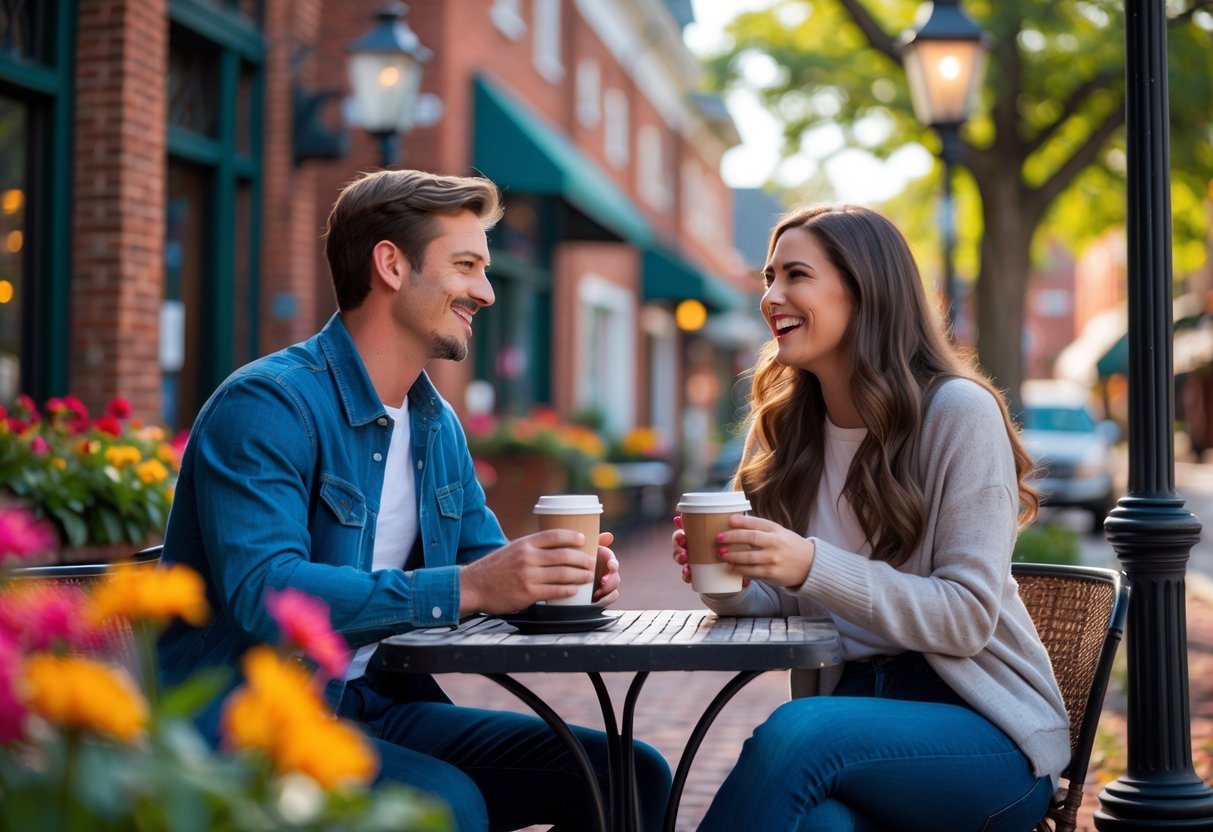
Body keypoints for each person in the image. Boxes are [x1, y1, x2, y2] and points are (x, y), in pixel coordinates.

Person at [158, 168, 672, 831]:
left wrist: (556, 580)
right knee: (444, 804)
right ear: (391, 265)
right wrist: (464, 588)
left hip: (367, 703)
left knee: (627, 775)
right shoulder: (269, 405)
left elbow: (484, 562)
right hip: (246, 719)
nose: (484, 292)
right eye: (465, 266)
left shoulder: (434, 424)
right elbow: (267, 594)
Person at [672, 205, 1069, 831]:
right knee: (819, 824)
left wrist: (808, 563)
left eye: (796, 275)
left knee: (797, 734)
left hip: (984, 730)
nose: (772, 297)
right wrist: (738, 584)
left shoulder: (957, 413)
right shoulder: (784, 428)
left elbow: (965, 618)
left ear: (866, 290)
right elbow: (787, 601)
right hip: (852, 718)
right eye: (768, 277)